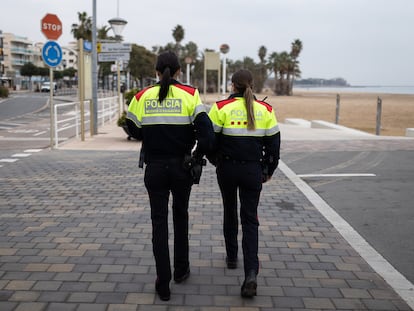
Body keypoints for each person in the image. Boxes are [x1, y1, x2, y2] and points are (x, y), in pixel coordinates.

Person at [126, 51, 214, 301]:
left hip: (154, 168)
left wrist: (152, 136)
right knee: (180, 216)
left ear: (156, 72)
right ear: (178, 72)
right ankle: (181, 270)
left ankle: (162, 282)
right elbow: (207, 135)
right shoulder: (189, 94)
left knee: (159, 223)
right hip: (181, 168)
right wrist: (196, 155)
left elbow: (132, 127)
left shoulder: (142, 96)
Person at [207, 69, 280, 298]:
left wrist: (215, 160)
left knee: (230, 209)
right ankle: (250, 274)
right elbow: (274, 146)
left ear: (232, 86)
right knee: (250, 220)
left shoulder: (220, 108)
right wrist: (267, 170)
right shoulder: (266, 110)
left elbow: (210, 141)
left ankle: (231, 257)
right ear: (252, 85)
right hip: (252, 171)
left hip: (227, 169)